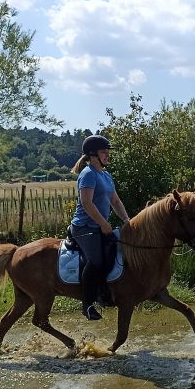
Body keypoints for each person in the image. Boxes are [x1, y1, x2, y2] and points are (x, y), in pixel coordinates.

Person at [70, 134, 132, 320]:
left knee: (114, 254)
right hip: (84, 227)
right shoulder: (88, 174)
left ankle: (105, 293)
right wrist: (104, 224)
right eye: (104, 152)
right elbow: (87, 203)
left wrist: (128, 221)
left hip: (99, 227)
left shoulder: (105, 175)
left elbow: (115, 200)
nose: (107, 155)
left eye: (107, 152)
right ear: (92, 154)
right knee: (96, 261)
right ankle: (87, 304)